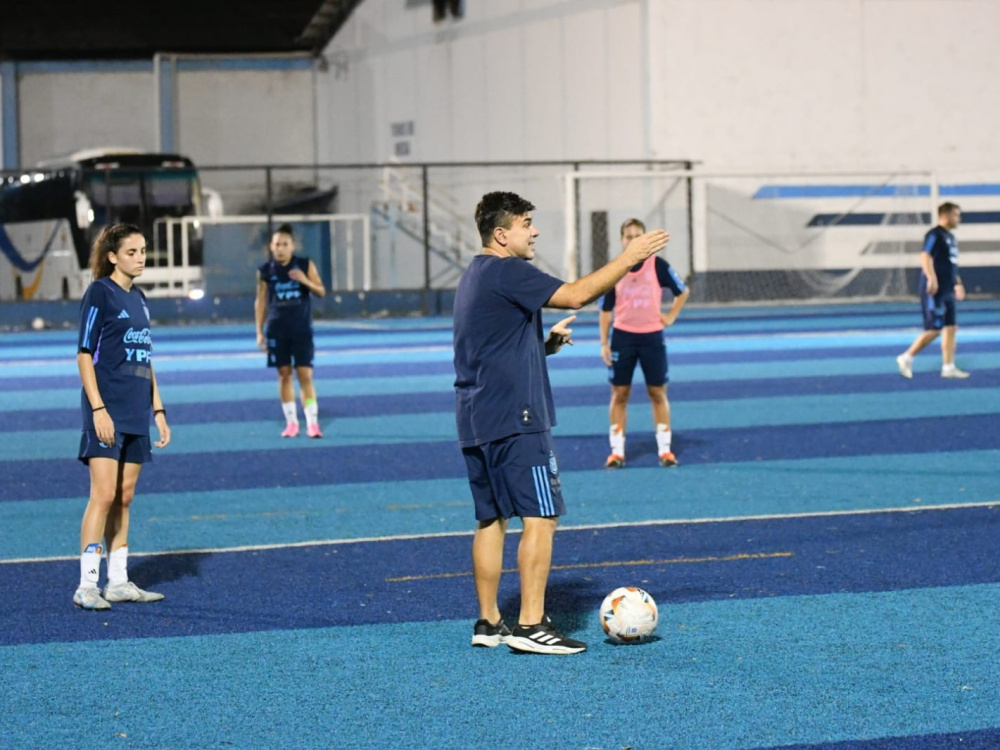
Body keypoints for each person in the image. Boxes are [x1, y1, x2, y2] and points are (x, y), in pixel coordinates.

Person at [453, 191, 668, 654]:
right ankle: (532, 626)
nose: (534, 231)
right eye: (526, 223)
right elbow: (576, 294)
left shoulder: (475, 274)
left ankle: (489, 622)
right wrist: (629, 258)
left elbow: (485, 345)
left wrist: (541, 348)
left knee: (491, 519)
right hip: (517, 415)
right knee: (541, 516)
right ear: (501, 233)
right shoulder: (510, 270)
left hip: (476, 414)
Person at [74, 224, 171, 610]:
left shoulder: (141, 298)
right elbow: (84, 353)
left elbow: (145, 359)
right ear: (113, 256)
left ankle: (119, 581)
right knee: (103, 494)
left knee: (125, 498)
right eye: (132, 252)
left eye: (143, 251)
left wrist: (159, 410)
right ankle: (87, 585)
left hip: (136, 409)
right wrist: (98, 408)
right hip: (107, 407)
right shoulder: (100, 291)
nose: (141, 257)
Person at [599, 218, 690, 469]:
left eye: (637, 235)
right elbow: (605, 310)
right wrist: (604, 343)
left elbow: (682, 290)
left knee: (657, 393)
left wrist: (670, 316)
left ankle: (665, 450)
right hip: (622, 338)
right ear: (621, 240)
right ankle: (617, 451)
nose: (632, 240)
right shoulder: (614, 268)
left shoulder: (658, 265)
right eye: (628, 236)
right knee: (619, 393)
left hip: (652, 338)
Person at [255, 223, 327, 437]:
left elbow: (321, 291)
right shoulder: (265, 271)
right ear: (271, 246)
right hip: (277, 330)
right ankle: (292, 422)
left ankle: (312, 423)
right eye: (277, 244)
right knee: (284, 375)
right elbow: (260, 302)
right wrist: (259, 331)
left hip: (301, 329)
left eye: (284, 244)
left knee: (305, 374)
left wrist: (305, 281)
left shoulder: (305, 265)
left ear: (292, 246)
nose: (280, 248)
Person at [896, 202, 969, 379]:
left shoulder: (951, 238)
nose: (959, 219)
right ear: (946, 215)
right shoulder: (934, 234)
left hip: (948, 288)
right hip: (935, 289)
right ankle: (906, 357)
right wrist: (931, 278)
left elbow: (951, 264)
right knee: (935, 328)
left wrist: (957, 282)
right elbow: (925, 255)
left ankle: (948, 366)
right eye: (956, 215)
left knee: (951, 327)